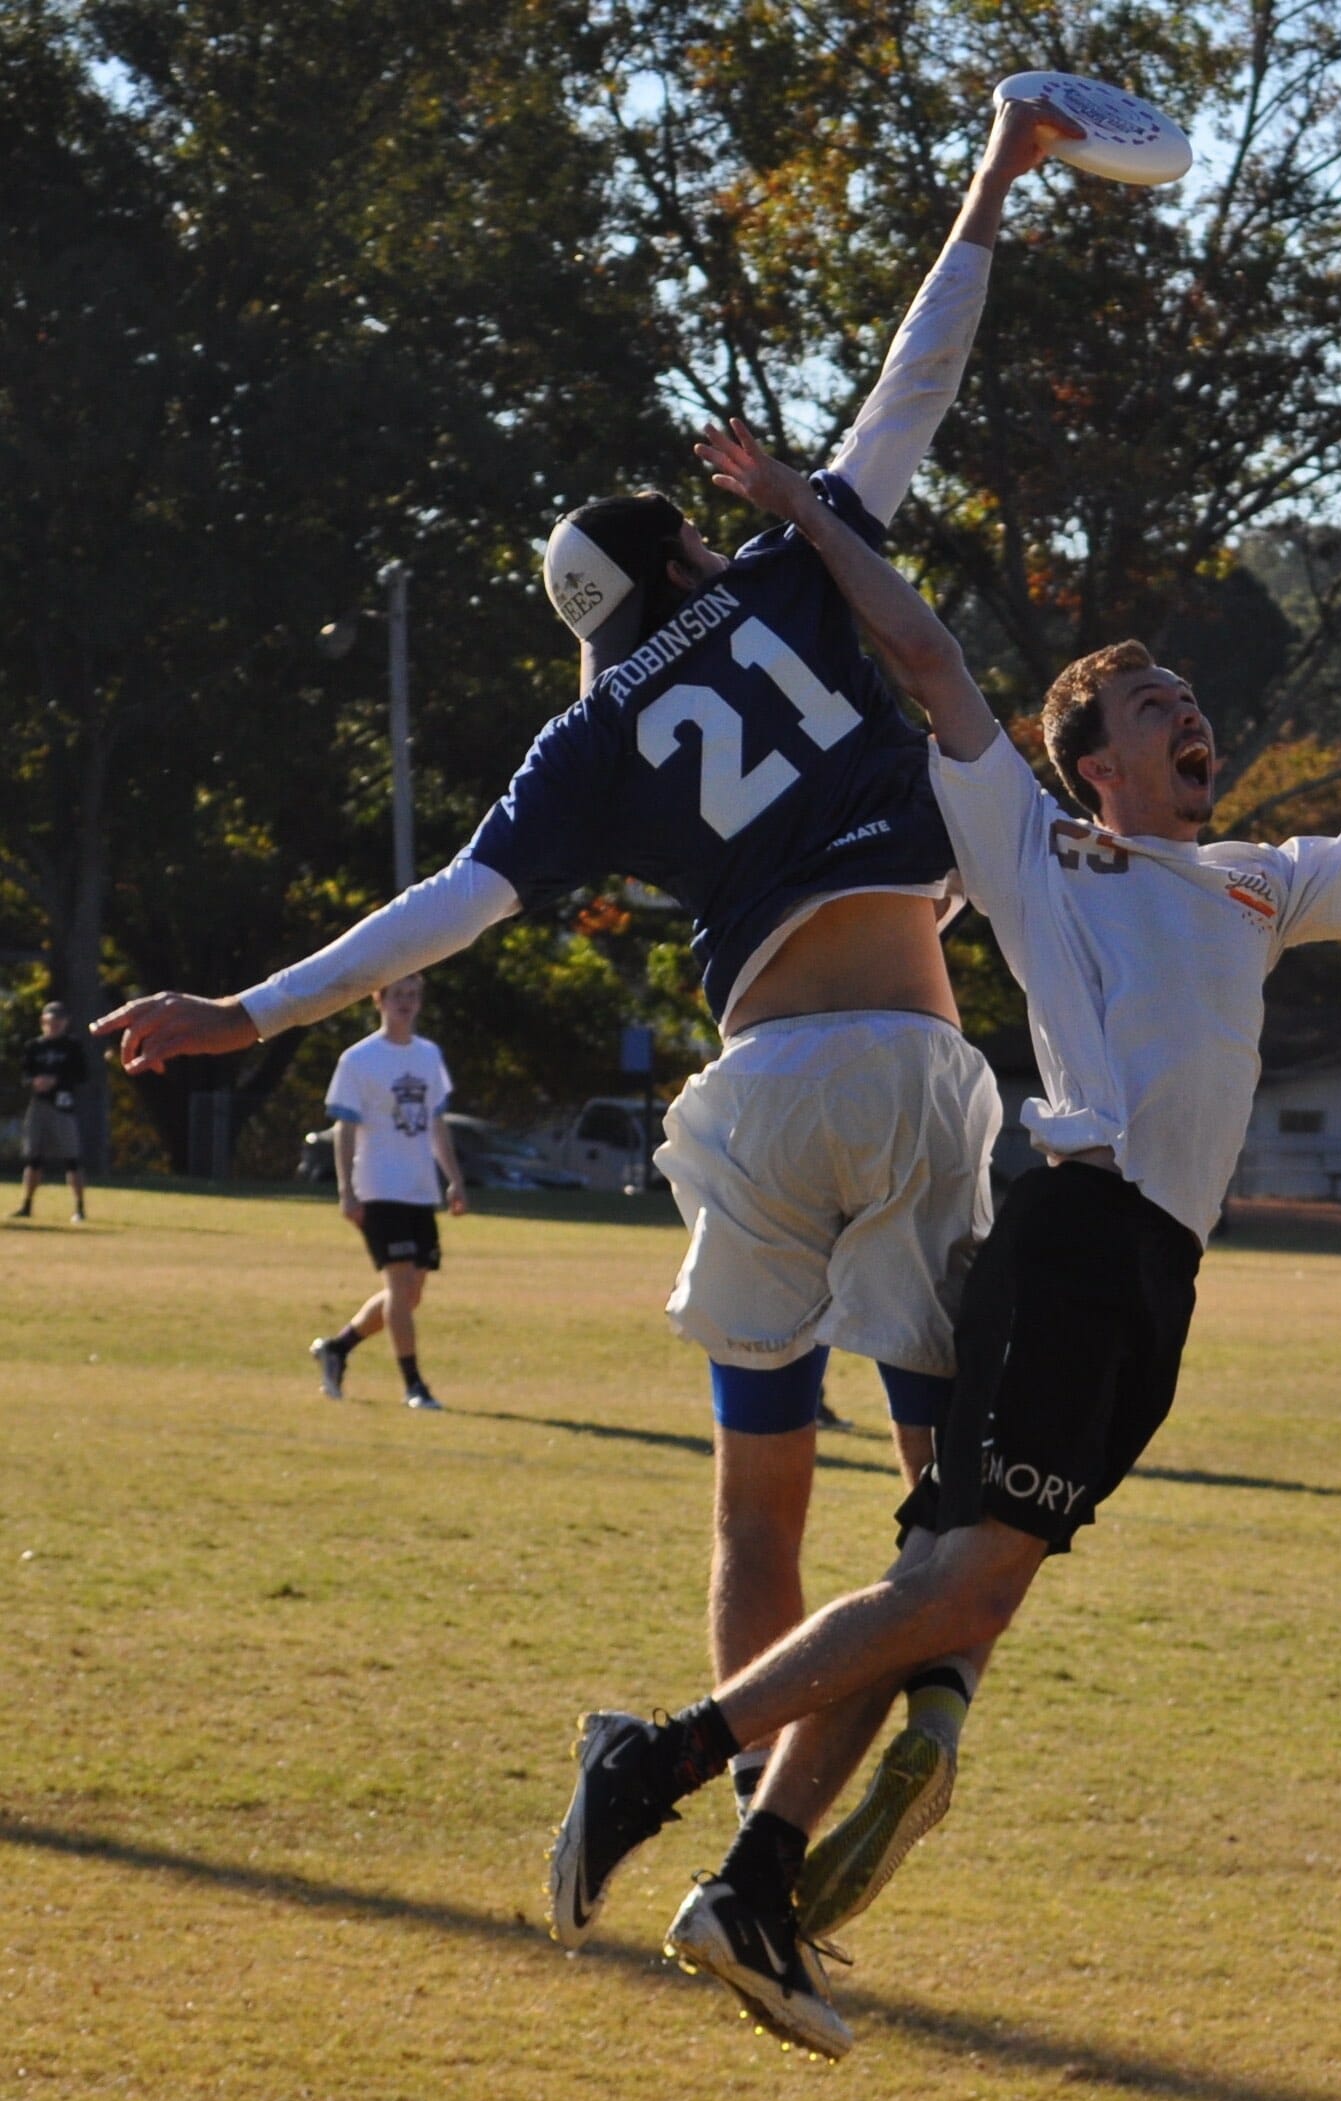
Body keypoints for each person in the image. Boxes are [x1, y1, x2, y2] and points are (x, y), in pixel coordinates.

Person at [539, 418, 1341, 2060]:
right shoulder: (1031, 847)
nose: (1188, 716)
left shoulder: (1252, 883)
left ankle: (754, 1877)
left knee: (963, 1589)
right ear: (1096, 763)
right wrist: (803, 510)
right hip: (1075, 1239)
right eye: (1153, 707)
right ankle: (663, 1776)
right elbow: (923, 647)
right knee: (964, 1581)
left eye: (1189, 701)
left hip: (1156, 1280)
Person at [91, 102, 1074, 1885]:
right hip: (915, 1066)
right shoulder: (785, 559)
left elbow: (450, 906)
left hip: (759, 1093)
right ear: (690, 556)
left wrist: (245, 1009)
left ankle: (729, 1828)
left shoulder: (592, 723)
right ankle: (851, 1768)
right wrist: (991, 190)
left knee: (753, 1507)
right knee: (940, 1505)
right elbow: (912, 390)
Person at [308, 975, 467, 1409]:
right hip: (378, 1188)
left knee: (411, 1295)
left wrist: (454, 1178)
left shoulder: (429, 1055)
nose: (407, 1003)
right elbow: (344, 1129)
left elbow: (436, 1124)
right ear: (379, 999)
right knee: (399, 1287)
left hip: (419, 1191)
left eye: (414, 995)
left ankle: (337, 1348)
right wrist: (346, 1191)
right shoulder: (359, 1060)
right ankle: (414, 1385)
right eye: (398, 995)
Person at [12, 1002, 90, 1223]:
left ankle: (80, 1207)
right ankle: (26, 1204)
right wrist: (35, 1082)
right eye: (50, 1021)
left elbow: (82, 1075)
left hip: (62, 1107)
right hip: (39, 1105)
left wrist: (56, 1080)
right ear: (43, 1022)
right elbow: (25, 1075)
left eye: (58, 1021)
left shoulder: (72, 1047)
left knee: (72, 1159)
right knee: (33, 1159)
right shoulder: (34, 1047)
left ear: (66, 1022)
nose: (54, 1025)